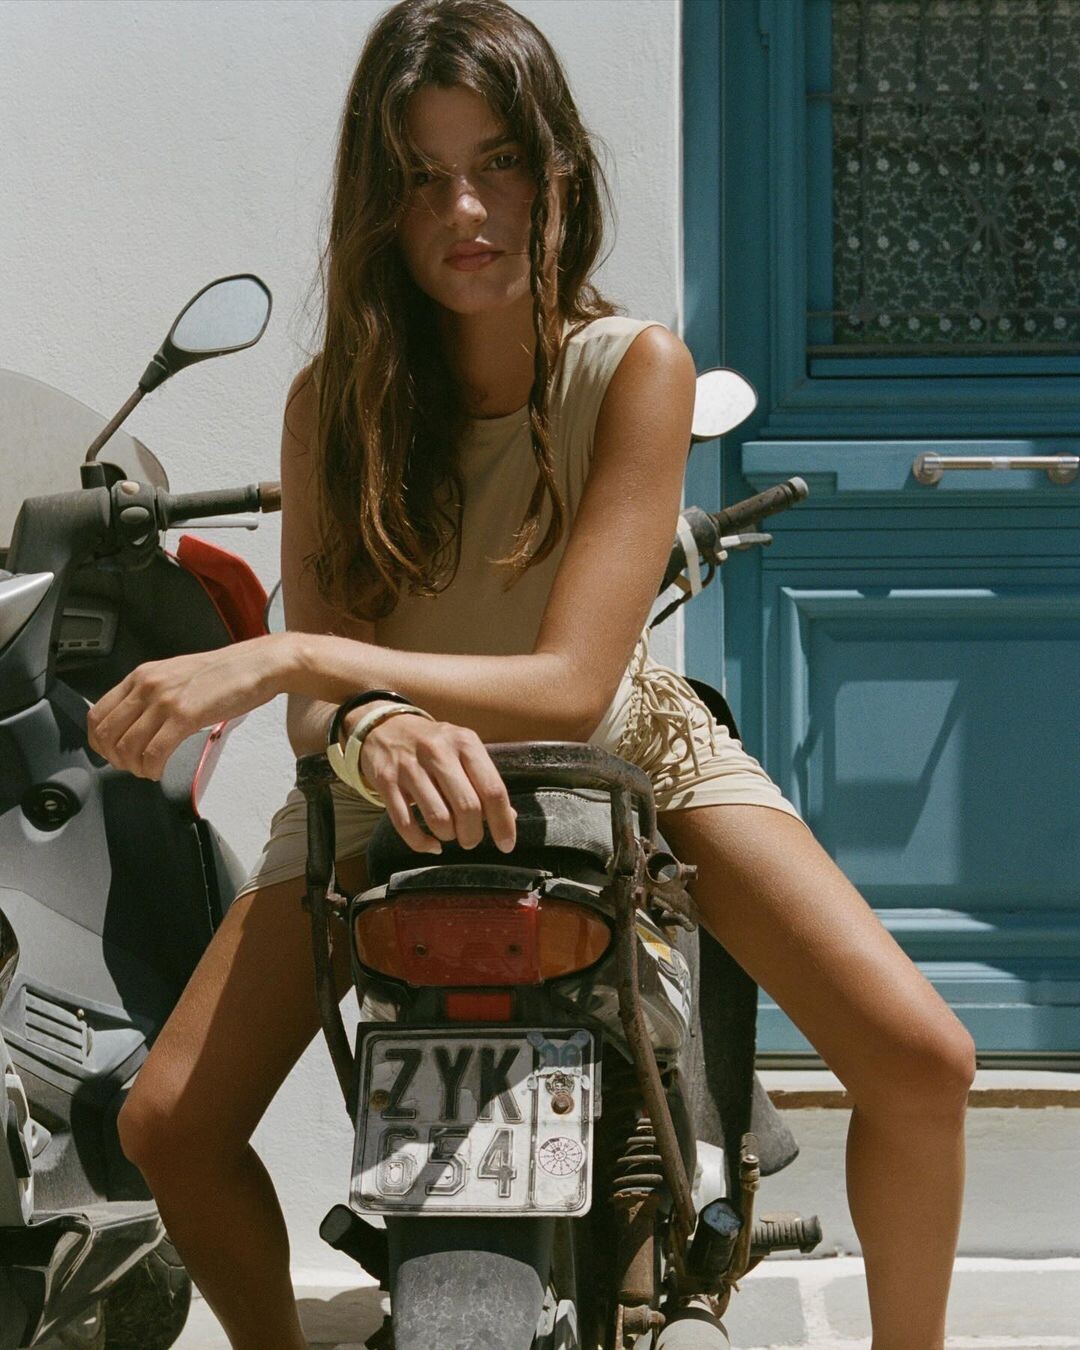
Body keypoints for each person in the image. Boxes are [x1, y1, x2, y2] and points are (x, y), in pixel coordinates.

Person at [86, 2, 975, 1346]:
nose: (466, 209)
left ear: (557, 167)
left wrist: (299, 657)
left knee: (923, 1059)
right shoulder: (332, 404)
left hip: (621, 745)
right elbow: (321, 717)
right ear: (378, 205)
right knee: (167, 1122)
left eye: (496, 161)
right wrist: (362, 719)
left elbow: (571, 686)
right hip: (389, 769)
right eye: (422, 175)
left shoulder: (636, 370)